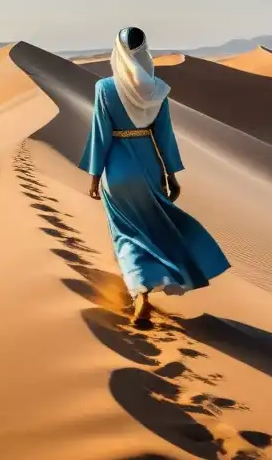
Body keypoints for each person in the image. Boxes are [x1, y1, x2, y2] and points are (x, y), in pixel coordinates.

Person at [80, 27, 230, 324]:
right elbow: (165, 136)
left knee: (126, 232)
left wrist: (95, 176)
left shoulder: (105, 88)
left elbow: (100, 135)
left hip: (117, 169)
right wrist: (171, 174)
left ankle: (141, 293)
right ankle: (164, 275)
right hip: (149, 165)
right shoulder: (158, 89)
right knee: (155, 227)